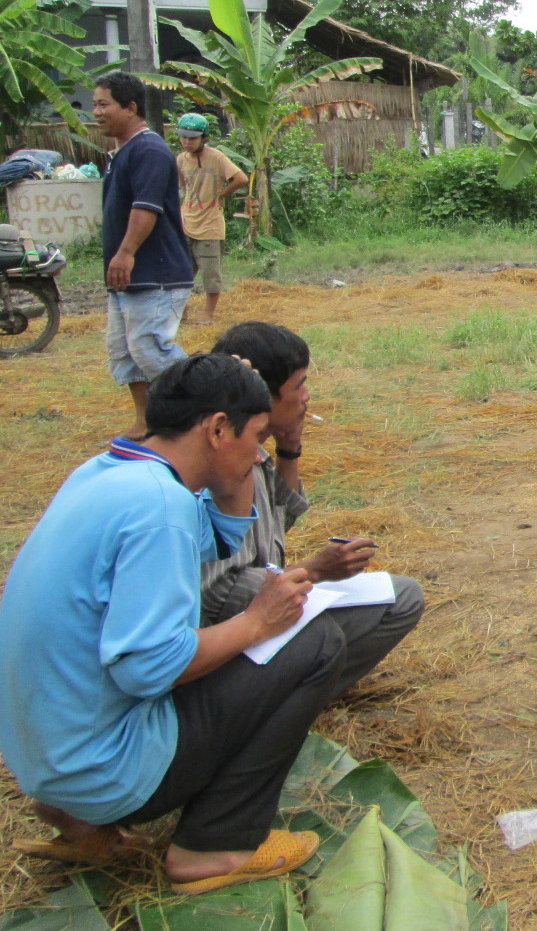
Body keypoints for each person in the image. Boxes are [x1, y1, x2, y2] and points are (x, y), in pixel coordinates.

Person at [0, 354, 339, 894]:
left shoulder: (108, 472)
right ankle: (213, 846)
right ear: (217, 428)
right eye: (254, 437)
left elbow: (224, 535)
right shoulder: (160, 507)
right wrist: (256, 622)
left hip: (47, 756)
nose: (258, 456)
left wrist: (236, 388)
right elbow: (148, 669)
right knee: (316, 641)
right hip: (103, 767)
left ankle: (79, 815)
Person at [205, 322, 425, 696]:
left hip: (255, 610)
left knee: (400, 595)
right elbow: (220, 593)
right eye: (299, 385)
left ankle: (294, 690)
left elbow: (277, 525)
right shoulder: (222, 466)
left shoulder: (254, 449)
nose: (307, 396)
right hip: (224, 633)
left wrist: (289, 448)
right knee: (348, 625)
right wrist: (314, 571)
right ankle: (277, 699)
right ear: (264, 397)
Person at [94, 72, 196, 438]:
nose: (96, 111)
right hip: (129, 274)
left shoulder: (149, 149)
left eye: (104, 104)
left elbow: (147, 208)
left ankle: (212, 406)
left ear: (131, 107)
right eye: (96, 104)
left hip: (157, 271)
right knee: (125, 354)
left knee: (150, 349)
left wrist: (125, 253)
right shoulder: (123, 152)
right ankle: (147, 421)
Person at [174, 114, 247, 325]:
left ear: (203, 138)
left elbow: (240, 178)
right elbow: (183, 186)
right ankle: (181, 312)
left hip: (210, 226)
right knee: (181, 273)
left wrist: (221, 194)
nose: (187, 141)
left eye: (192, 138)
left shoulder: (216, 157)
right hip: (186, 222)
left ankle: (208, 315)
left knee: (210, 275)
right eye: (184, 137)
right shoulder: (180, 159)